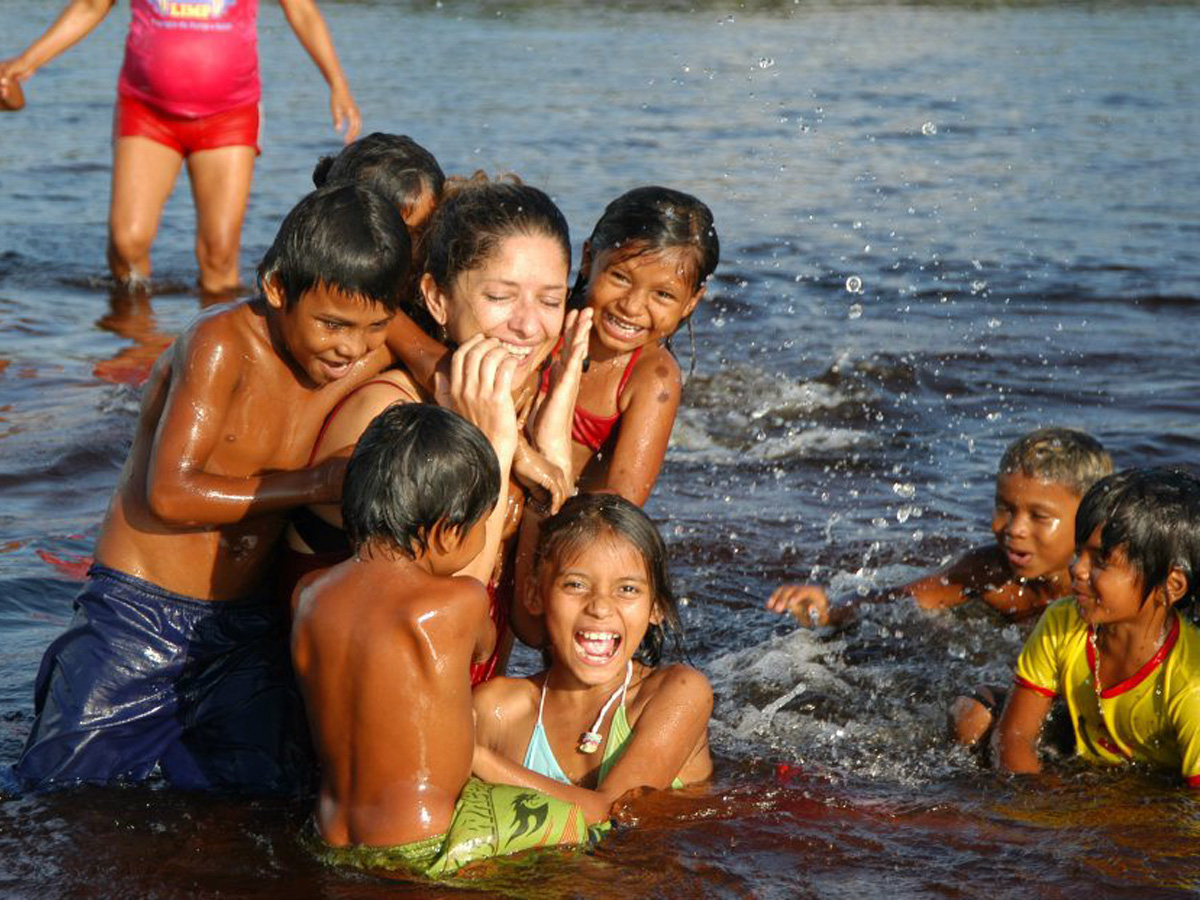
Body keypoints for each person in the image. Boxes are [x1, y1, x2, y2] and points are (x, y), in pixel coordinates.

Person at [13, 183, 423, 793]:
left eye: (373, 328)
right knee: (57, 797)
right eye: (333, 325)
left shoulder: (365, 334)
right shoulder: (221, 344)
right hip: (137, 618)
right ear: (277, 288)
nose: (351, 348)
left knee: (268, 791)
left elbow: (451, 364)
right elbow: (170, 495)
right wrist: (319, 482)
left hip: (244, 628)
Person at [278, 178, 591, 682]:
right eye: (500, 296)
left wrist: (550, 454)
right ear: (437, 300)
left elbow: (535, 627)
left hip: (464, 720)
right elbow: (450, 635)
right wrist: (494, 447)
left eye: (550, 301)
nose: (529, 327)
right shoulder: (389, 418)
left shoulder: (525, 399)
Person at [293, 402, 593, 878]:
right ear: (446, 532)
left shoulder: (308, 596)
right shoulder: (458, 602)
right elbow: (483, 648)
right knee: (581, 827)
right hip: (425, 839)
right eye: (480, 524)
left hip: (330, 833)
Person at [767, 427, 1113, 746]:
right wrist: (828, 612)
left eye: (1039, 516)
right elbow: (902, 599)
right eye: (1005, 508)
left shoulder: (1100, 594)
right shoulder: (990, 572)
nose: (1014, 529)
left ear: (1091, 521)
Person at [0, 0, 361, 296]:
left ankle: (213, 354)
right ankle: (135, 340)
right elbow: (92, 5)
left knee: (218, 256)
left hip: (229, 116)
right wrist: (27, 61)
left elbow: (301, 10)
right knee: (127, 245)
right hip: (146, 112)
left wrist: (337, 83)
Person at [472, 493, 713, 826]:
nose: (600, 607)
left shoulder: (678, 694)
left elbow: (610, 811)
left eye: (627, 589)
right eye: (575, 584)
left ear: (656, 607)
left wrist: (475, 759)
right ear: (534, 594)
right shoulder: (496, 711)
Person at [994, 467, 1200, 787]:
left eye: (1101, 560)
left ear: (1171, 585)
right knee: (972, 717)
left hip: (1156, 790)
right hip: (1079, 757)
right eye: (1079, 552)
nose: (1077, 569)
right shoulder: (1062, 622)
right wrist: (1034, 810)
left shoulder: (1191, 685)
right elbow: (1014, 736)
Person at [546, 186, 719, 505]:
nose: (633, 306)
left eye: (663, 295)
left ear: (691, 301)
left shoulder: (651, 377)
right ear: (588, 260)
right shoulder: (542, 323)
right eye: (620, 278)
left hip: (570, 527)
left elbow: (622, 504)